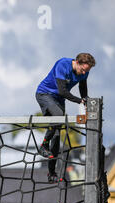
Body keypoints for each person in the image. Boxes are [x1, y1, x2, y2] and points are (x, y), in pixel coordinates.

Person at [36, 53, 96, 183]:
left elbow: (82, 87)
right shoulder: (63, 65)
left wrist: (86, 100)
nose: (84, 73)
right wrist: (79, 101)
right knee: (58, 117)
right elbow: (63, 91)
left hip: (58, 99)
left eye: (87, 71)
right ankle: (43, 145)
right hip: (45, 94)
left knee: (57, 135)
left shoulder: (85, 72)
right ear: (77, 63)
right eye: (83, 69)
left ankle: (51, 173)